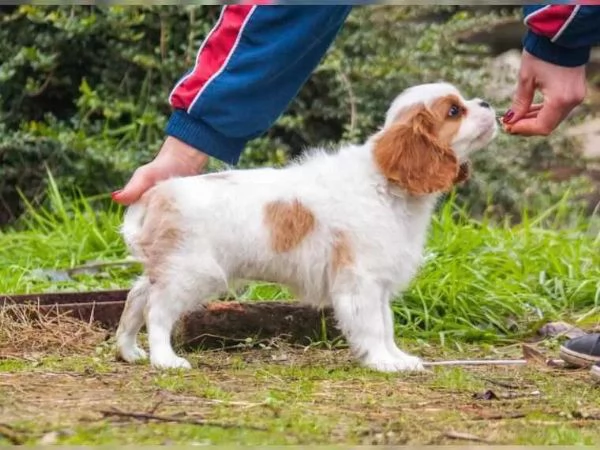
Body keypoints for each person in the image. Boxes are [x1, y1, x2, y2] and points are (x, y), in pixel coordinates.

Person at [110, 5, 600, 381]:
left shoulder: (373, 187)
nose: (475, 110)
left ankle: (382, 348)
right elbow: (358, 283)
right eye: (456, 111)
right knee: (188, 277)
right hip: (207, 210)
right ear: (419, 146)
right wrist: (563, 36)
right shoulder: (368, 191)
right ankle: (159, 343)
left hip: (209, 202)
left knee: (168, 279)